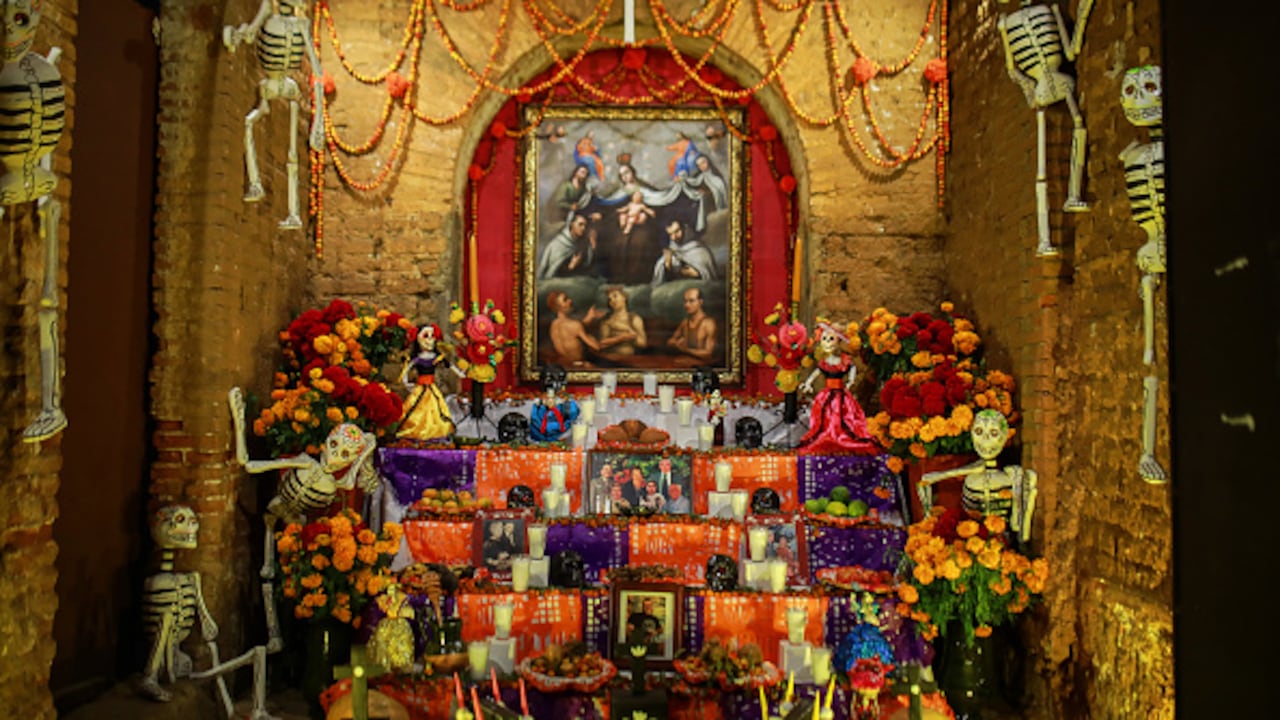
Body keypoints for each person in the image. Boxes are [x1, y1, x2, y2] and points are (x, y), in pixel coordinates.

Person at [796, 321, 880, 454]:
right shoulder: (824, 362)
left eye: (831, 339)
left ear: (838, 341)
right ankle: (828, 435)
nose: (827, 342)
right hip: (827, 393)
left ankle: (841, 436)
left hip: (841, 393)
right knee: (825, 416)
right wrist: (808, 383)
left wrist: (851, 381)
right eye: (824, 339)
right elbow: (816, 373)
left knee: (844, 415)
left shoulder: (845, 360)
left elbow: (852, 369)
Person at [396, 324, 461, 442]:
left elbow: (449, 365)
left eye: (432, 336)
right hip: (419, 388)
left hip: (431, 388)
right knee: (416, 410)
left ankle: (435, 433)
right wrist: (406, 382)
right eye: (426, 336)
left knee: (436, 411)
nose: (430, 340)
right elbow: (406, 369)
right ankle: (416, 432)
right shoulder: (416, 358)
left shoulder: (436, 357)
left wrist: (460, 374)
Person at [546, 291, 606, 367]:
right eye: (565, 300)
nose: (570, 300)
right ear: (557, 307)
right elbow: (596, 347)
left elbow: (573, 330)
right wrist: (621, 337)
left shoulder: (554, 324)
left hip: (565, 364)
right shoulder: (575, 325)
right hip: (579, 365)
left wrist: (589, 317)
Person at [652, 219, 718, 285]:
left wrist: (672, 268)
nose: (674, 237)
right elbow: (661, 280)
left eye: (677, 231)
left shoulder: (700, 251)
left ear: (685, 229)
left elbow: (700, 275)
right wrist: (667, 265)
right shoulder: (670, 253)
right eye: (670, 234)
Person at [537, 213, 597, 279]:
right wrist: (571, 266)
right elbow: (551, 273)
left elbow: (586, 266)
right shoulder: (558, 244)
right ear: (571, 224)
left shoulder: (579, 242)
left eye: (585, 226)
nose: (583, 228)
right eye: (580, 224)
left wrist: (593, 245)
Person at [668, 287, 719, 364]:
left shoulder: (708, 324)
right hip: (686, 363)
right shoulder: (685, 322)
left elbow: (708, 354)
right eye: (685, 301)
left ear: (700, 302)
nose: (687, 305)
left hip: (702, 367)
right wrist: (676, 343)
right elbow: (670, 341)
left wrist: (686, 350)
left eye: (691, 301)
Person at [597, 285, 647, 357]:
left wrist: (632, 336)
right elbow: (601, 344)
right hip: (610, 358)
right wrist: (621, 338)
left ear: (624, 297)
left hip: (630, 359)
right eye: (610, 299)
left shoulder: (634, 318)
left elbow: (643, 343)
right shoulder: (607, 320)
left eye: (615, 296)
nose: (612, 301)